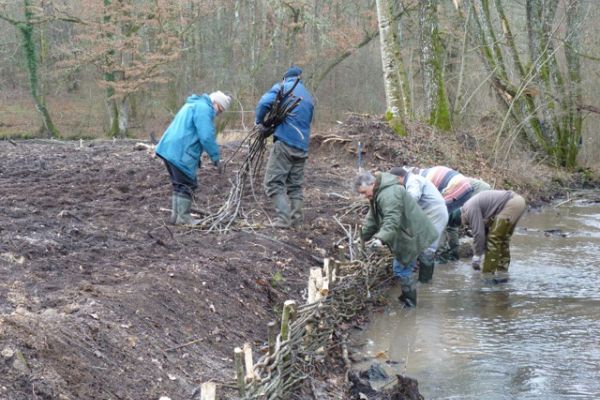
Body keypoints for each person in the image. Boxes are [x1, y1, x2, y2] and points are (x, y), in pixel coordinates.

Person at [356, 171, 438, 307]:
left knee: (401, 269)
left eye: (364, 192)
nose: (364, 196)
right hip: (414, 231)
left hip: (410, 234)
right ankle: (425, 286)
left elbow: (391, 219)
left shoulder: (389, 194)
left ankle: (410, 304)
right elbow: (372, 219)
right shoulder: (379, 194)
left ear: (372, 184)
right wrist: (363, 236)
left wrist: (380, 238)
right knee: (424, 255)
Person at [155, 90, 231, 225]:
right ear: (214, 102)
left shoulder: (194, 105)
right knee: (188, 184)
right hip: (181, 150)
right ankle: (183, 217)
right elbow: (206, 136)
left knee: (179, 184)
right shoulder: (204, 109)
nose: (217, 114)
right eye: (219, 110)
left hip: (169, 149)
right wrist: (215, 157)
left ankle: (176, 217)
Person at [255, 66, 314, 229]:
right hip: (302, 146)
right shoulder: (308, 97)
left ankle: (283, 219)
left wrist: (259, 122)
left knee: (273, 183)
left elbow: (263, 103)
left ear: (285, 78)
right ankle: (296, 222)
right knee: (295, 186)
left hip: (285, 143)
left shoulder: (283, 88)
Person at [448, 190, 526, 283]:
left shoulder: (469, 208)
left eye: (463, 223)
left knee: (494, 238)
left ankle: (487, 277)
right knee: (502, 240)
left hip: (512, 204)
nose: (466, 225)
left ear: (461, 216)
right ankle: (502, 273)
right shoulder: (471, 206)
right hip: (518, 202)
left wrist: (477, 256)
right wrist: (483, 251)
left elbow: (479, 234)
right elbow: (484, 232)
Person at [389, 167, 448, 283]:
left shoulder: (413, 180)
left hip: (434, 213)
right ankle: (422, 280)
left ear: (399, 177)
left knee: (428, 248)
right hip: (429, 213)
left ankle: (425, 283)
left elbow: (413, 197)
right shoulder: (410, 181)